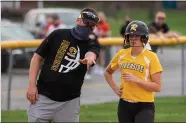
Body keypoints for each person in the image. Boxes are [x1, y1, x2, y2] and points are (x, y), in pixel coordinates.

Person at [26, 8, 100, 122]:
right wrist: (31, 85)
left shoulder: (92, 43)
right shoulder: (58, 34)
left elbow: (92, 53)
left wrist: (90, 58)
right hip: (43, 96)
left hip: (69, 101)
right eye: (86, 23)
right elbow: (37, 57)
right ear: (78, 21)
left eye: (92, 25)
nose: (88, 27)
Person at [104, 20, 163, 123]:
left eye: (137, 36)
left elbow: (157, 87)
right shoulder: (122, 54)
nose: (133, 39)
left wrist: (137, 80)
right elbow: (107, 72)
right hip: (124, 105)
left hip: (144, 105)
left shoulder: (151, 57)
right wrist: (115, 88)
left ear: (144, 37)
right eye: (130, 36)